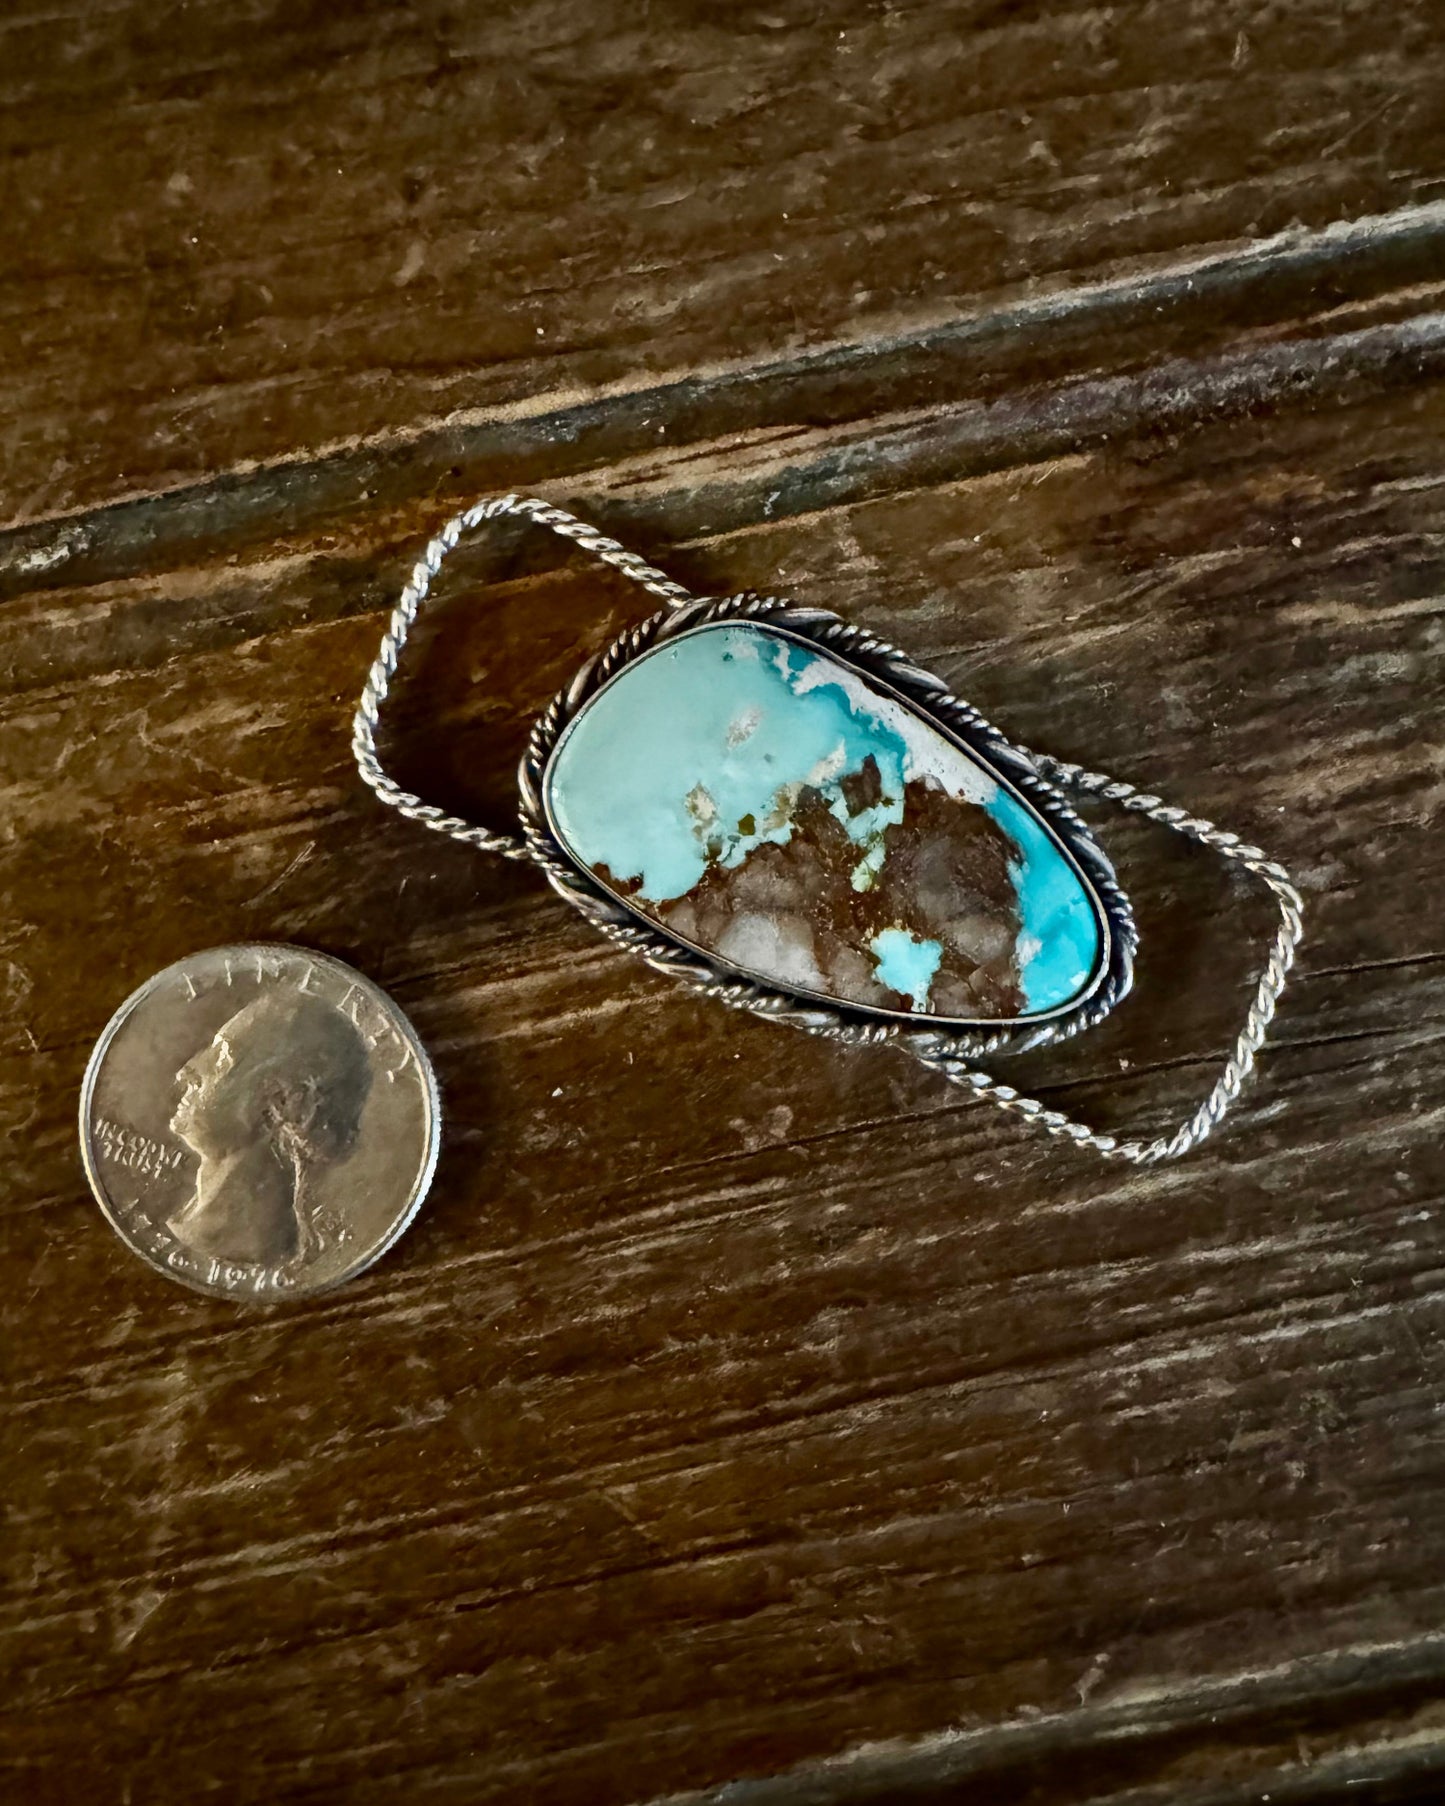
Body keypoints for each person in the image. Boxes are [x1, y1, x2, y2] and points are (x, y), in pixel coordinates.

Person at [167, 989, 372, 1267]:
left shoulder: (248, 1241)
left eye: (222, 1058)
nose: (187, 1070)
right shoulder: (194, 1222)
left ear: (282, 1100)